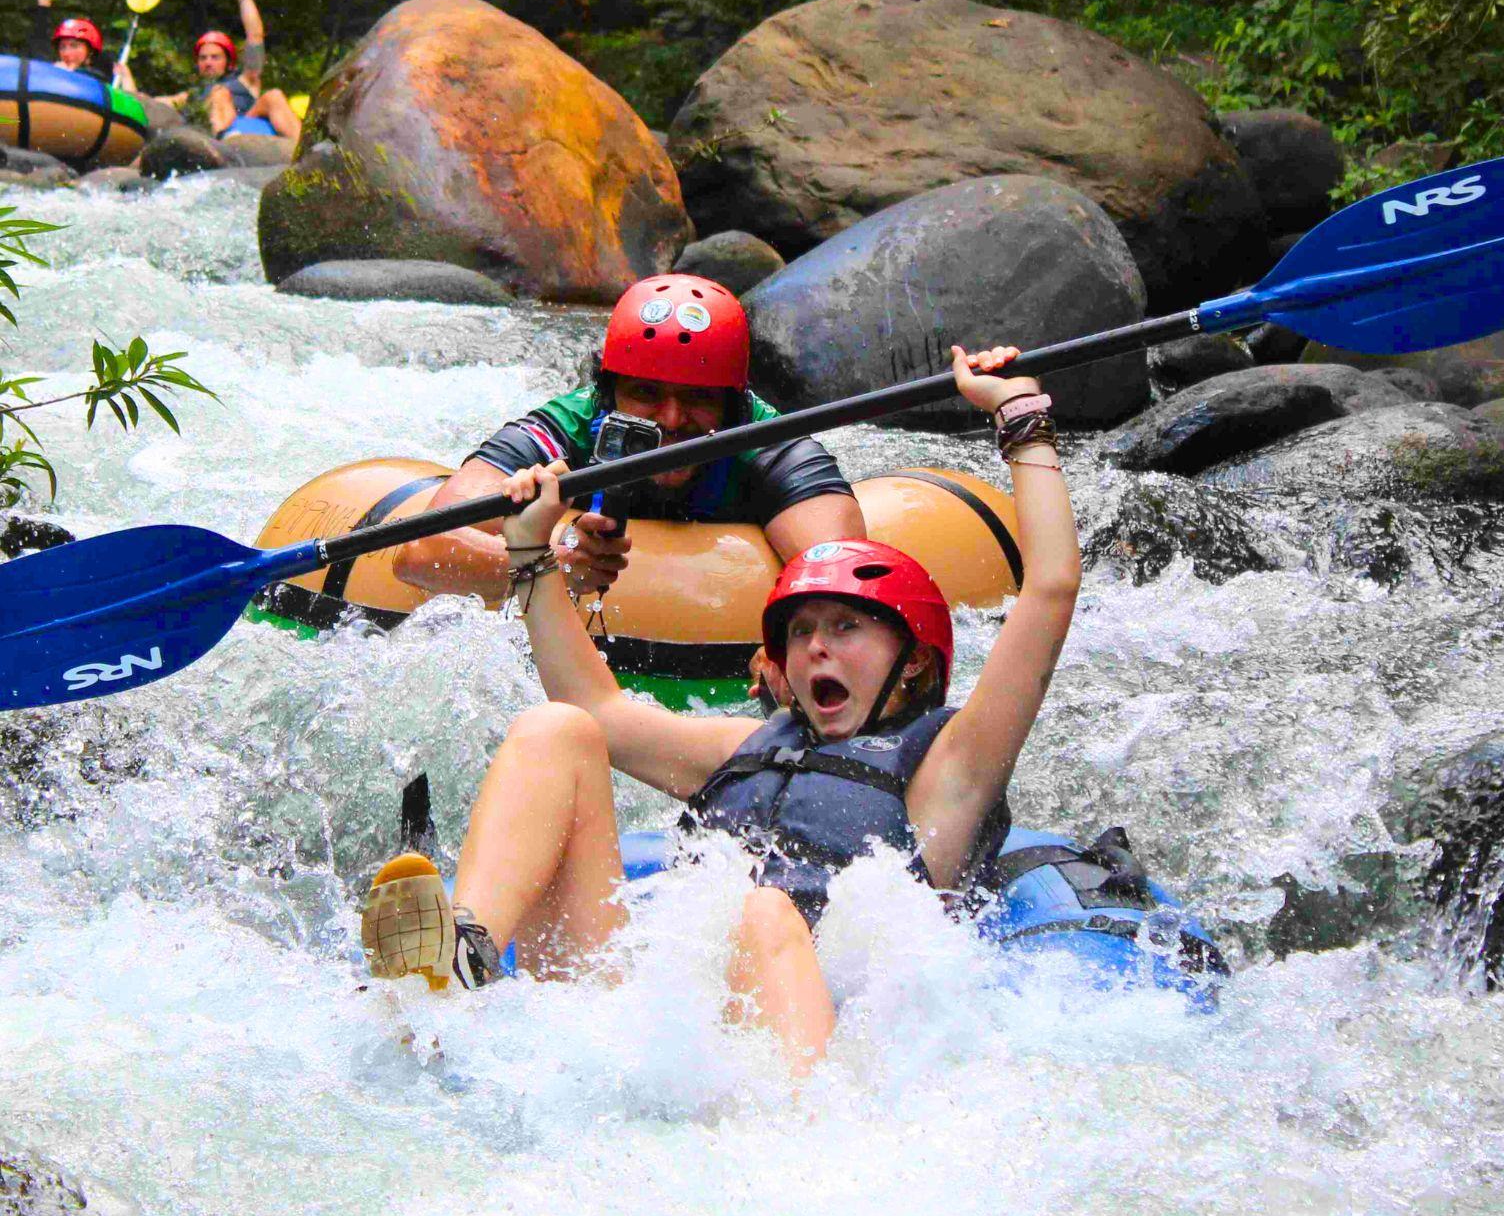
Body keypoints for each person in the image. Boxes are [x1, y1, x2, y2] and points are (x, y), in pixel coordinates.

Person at [362, 345, 1080, 1075]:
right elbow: (592, 704)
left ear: (917, 661)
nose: (815, 651)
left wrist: (1021, 416)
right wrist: (532, 557)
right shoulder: (751, 743)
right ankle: (463, 958)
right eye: (800, 632)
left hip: (792, 1068)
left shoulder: (950, 771)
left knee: (763, 907)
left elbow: (1050, 589)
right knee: (557, 729)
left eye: (845, 629)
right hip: (649, 1032)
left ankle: (798, 1132)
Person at [395, 273, 867, 609]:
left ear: (733, 404)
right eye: (646, 393)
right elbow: (420, 554)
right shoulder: (565, 428)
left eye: (699, 397)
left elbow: (842, 577)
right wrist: (553, 564)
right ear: (608, 393)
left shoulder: (770, 445)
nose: (671, 419)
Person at [153, 0, 300, 144]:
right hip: (215, 140)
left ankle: (305, 148)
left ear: (228, 62)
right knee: (216, 92)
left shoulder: (246, 80)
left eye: (215, 57)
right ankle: (221, 140)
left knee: (274, 95)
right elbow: (154, 104)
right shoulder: (190, 96)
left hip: (249, 125)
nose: (208, 62)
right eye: (203, 58)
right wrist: (125, 80)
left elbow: (255, 36)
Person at [27, 0, 123, 84]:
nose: (67, 53)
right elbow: (39, 49)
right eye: (62, 47)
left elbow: (96, 80)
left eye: (74, 45)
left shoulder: (99, 77)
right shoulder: (56, 73)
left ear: (90, 51)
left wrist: (66, 74)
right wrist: (43, 3)